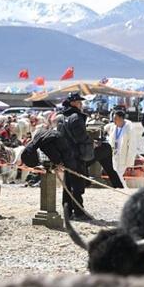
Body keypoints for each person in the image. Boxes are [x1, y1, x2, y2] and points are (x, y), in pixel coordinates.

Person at [58, 92, 94, 221]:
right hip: (76, 155)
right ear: (73, 103)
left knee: (67, 184)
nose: (81, 104)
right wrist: (91, 141)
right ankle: (79, 212)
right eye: (79, 102)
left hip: (65, 154)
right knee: (77, 185)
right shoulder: (76, 117)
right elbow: (81, 137)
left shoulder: (61, 117)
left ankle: (67, 211)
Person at [105, 110, 138, 188]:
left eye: (115, 118)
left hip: (123, 156)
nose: (114, 120)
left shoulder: (129, 128)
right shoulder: (113, 127)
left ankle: (123, 188)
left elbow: (132, 145)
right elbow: (105, 127)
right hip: (114, 155)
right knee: (116, 173)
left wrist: (130, 160)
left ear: (121, 118)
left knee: (118, 174)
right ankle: (123, 188)